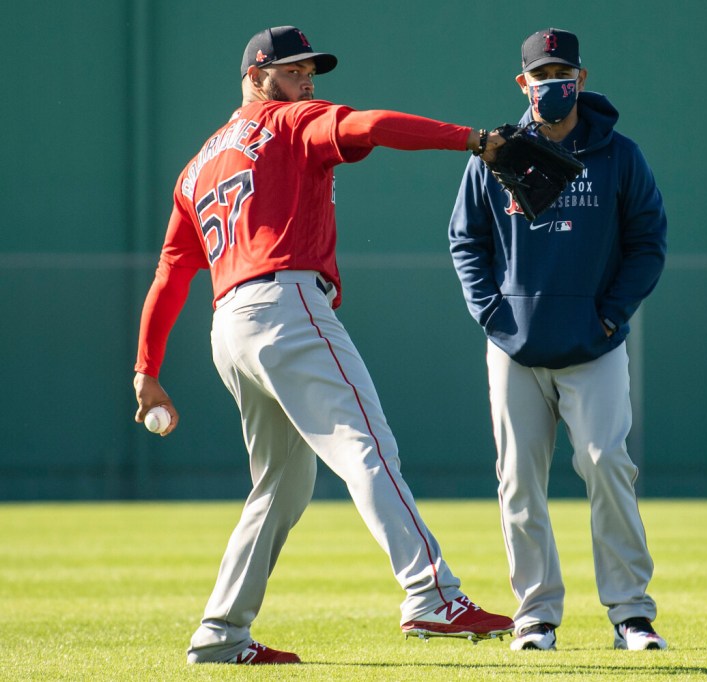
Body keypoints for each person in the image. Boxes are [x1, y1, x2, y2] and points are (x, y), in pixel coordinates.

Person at [132, 25, 514, 665]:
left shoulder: (198, 163)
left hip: (229, 326)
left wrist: (146, 368)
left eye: (310, 71)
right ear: (256, 75)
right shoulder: (286, 122)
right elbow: (371, 124)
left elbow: (172, 272)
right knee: (367, 444)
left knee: (282, 483)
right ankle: (432, 595)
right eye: (291, 70)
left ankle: (221, 634)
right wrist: (472, 141)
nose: (306, 80)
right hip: (285, 305)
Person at [448, 28, 668, 651]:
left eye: (562, 73)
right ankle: (536, 614)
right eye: (541, 76)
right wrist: (492, 314)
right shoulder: (495, 152)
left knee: (606, 464)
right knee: (518, 480)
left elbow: (648, 240)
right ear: (524, 84)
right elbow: (466, 240)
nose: (553, 85)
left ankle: (631, 613)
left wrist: (610, 315)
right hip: (514, 344)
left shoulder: (620, 155)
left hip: (593, 344)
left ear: (582, 78)